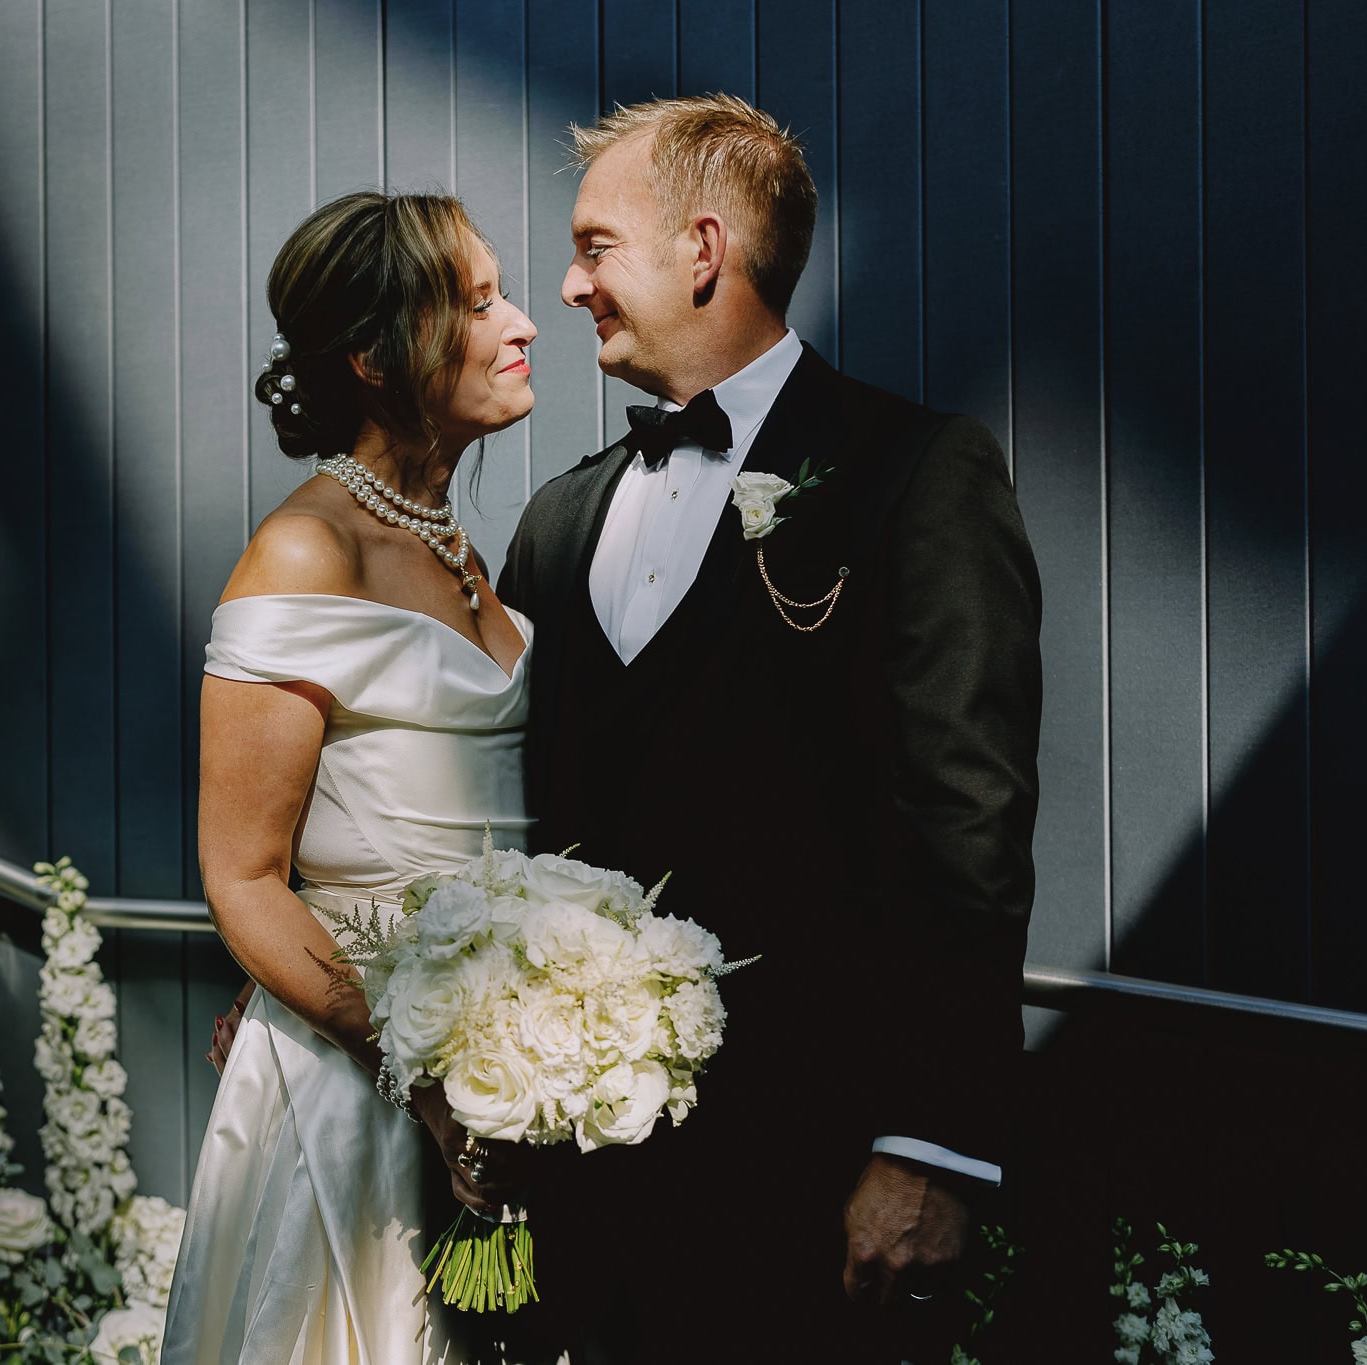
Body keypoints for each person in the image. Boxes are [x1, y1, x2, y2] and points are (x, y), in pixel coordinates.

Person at [496, 94, 1042, 1361]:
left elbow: (964, 823)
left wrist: (928, 1145)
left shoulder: (914, 472)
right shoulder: (556, 521)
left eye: (592, 247)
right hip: (574, 1173)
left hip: (814, 1168)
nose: (568, 286)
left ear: (701, 250)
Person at [162, 190, 557, 1365]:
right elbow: (243, 878)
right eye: (478, 303)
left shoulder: (457, 542)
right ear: (376, 357)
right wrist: (420, 1075)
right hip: (359, 1089)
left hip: (498, 1070)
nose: (522, 323)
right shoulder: (304, 551)